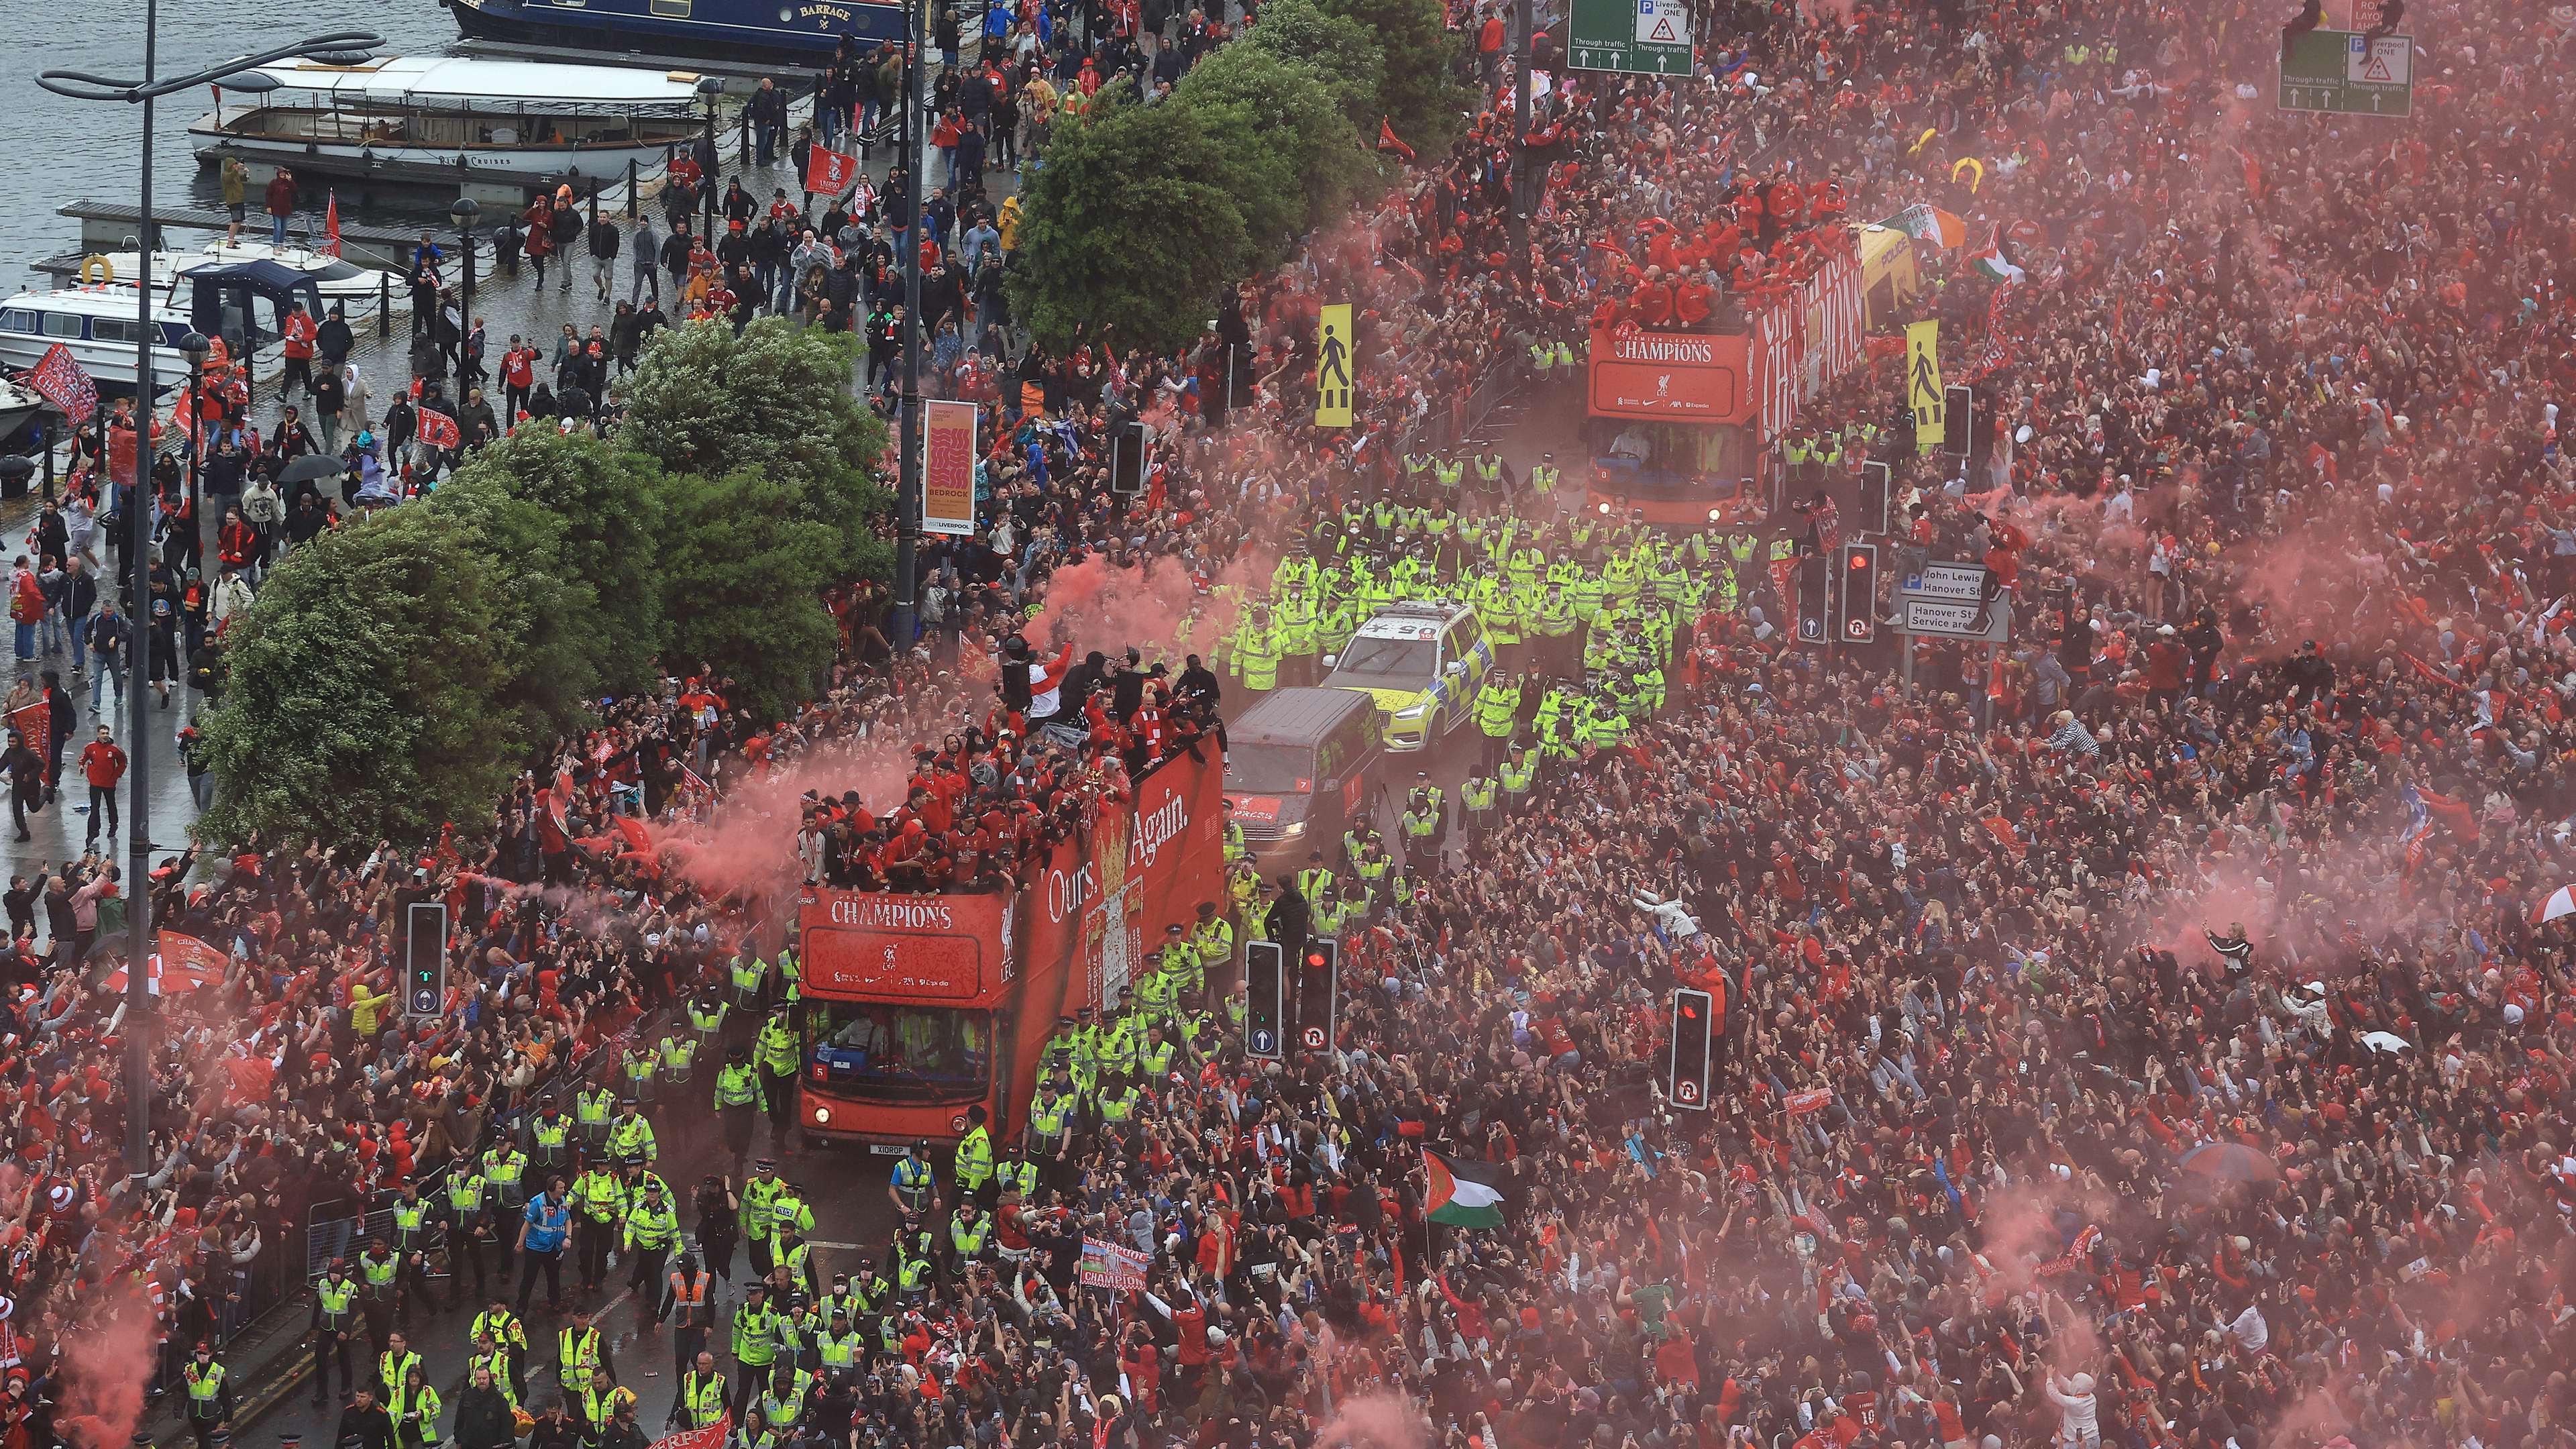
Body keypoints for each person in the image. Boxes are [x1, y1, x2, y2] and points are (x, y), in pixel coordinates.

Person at [515, 1175, 571, 1312]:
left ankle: (555, 1301)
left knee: (554, 1276)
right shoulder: (538, 1203)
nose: (564, 1191)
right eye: (561, 1188)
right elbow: (527, 1224)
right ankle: (521, 1306)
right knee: (529, 1278)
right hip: (536, 1247)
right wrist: (520, 1243)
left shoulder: (563, 1201)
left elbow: (568, 1220)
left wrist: (568, 1237)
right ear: (552, 1188)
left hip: (555, 1246)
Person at [76, 725, 125, 847]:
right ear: (98, 734)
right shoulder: (91, 747)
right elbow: (84, 757)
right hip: (95, 782)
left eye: (107, 733)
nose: (105, 736)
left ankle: (113, 825)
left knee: (111, 804)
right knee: (95, 807)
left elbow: (123, 762)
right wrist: (81, 765)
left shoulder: (115, 750)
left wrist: (116, 775)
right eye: (103, 733)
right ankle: (94, 830)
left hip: (109, 783)